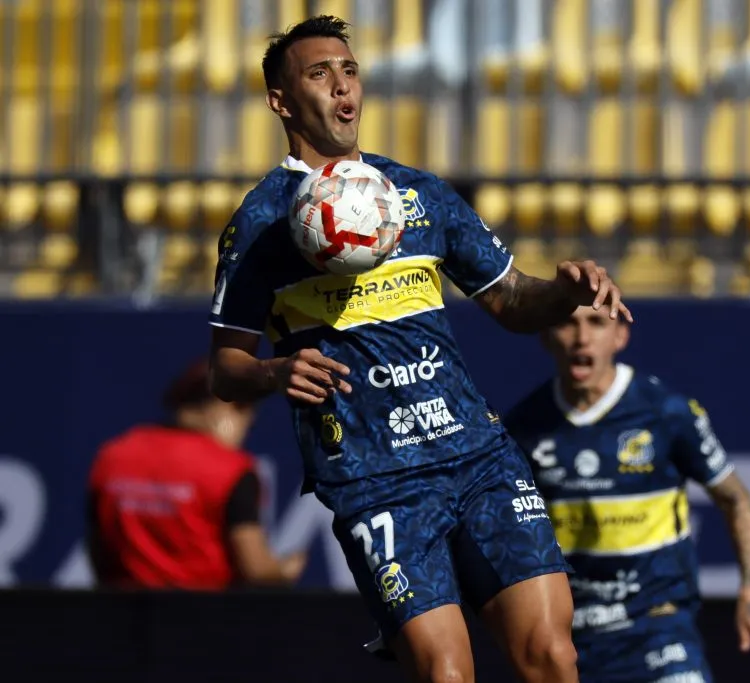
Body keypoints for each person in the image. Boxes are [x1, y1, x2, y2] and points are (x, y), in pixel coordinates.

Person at [207, 15, 631, 683]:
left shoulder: (420, 194)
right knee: (445, 671)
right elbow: (224, 369)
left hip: (476, 455)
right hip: (377, 481)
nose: (342, 88)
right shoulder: (261, 226)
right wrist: (274, 368)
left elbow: (512, 300)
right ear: (280, 102)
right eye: (319, 74)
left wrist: (566, 291)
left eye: (349, 71)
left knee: (552, 653)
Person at [503, 305, 750, 683]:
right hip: (570, 643)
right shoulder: (523, 427)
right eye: (568, 322)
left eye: (597, 323)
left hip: (658, 629)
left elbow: (737, 500)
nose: (582, 337)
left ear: (620, 336)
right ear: (545, 336)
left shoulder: (666, 413)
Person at [87, 360, 305, 589]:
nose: (249, 421)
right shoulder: (232, 470)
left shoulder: (113, 457)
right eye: (242, 407)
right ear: (218, 405)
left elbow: (97, 549)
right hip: (200, 619)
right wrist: (283, 572)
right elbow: (256, 572)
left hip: (119, 617)